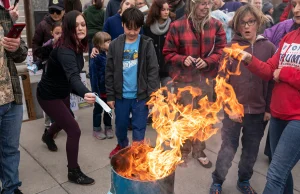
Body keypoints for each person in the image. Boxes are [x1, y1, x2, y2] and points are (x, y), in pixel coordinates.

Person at [228, 0, 300, 193]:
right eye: (295, 4)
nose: (297, 10)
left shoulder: (271, 43)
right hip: (279, 114)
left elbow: (278, 72)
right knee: (282, 170)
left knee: (275, 173)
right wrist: (251, 60)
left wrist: (283, 73)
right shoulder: (289, 38)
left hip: (297, 117)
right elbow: (269, 69)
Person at [209, 4, 276, 194]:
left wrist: (268, 109)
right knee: (227, 150)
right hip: (233, 112)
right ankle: (217, 181)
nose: (247, 27)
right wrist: (229, 109)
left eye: (251, 22)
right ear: (237, 26)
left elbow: (271, 81)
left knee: (250, 152)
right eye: (242, 23)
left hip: (257, 112)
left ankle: (244, 180)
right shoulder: (230, 49)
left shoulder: (269, 48)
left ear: (258, 22)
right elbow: (220, 82)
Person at [163, 0, 226, 168]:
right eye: (202, 4)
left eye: (208, 4)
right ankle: (183, 151)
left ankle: (199, 150)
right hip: (183, 81)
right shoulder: (177, 26)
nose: (206, 7)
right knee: (184, 116)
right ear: (193, 4)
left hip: (206, 80)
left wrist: (208, 61)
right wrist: (183, 59)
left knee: (203, 118)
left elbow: (221, 50)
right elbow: (167, 53)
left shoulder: (216, 25)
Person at [37, 10, 96, 185]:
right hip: (48, 96)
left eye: (83, 24)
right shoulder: (64, 50)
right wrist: (84, 91)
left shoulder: (76, 46)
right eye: (76, 25)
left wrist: (81, 91)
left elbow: (70, 80)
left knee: (67, 119)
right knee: (74, 130)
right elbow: (73, 77)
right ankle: (73, 171)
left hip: (61, 91)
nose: (80, 28)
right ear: (68, 28)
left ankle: (48, 135)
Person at [106, 7, 160, 159]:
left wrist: (152, 95)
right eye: (129, 28)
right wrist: (110, 95)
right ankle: (122, 147)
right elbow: (109, 71)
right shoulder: (115, 45)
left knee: (139, 128)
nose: (132, 32)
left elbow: (153, 71)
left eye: (136, 29)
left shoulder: (146, 44)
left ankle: (137, 153)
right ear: (122, 25)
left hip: (141, 96)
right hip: (121, 96)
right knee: (121, 126)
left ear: (140, 27)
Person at [0, 2, 28, 194]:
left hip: (11, 97)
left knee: (11, 150)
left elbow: (22, 54)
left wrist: (16, 47)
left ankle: (10, 188)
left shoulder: (4, 15)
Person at [32, 0, 65, 132]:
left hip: (64, 66)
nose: (55, 14)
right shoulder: (42, 25)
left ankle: (61, 121)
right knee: (49, 95)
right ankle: (49, 125)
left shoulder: (68, 24)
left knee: (63, 95)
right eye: (52, 11)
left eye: (58, 11)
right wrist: (39, 60)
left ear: (63, 11)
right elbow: (35, 45)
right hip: (48, 65)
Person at [144, 0, 173, 94]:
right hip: (152, 69)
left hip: (168, 69)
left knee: (169, 98)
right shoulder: (147, 26)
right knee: (154, 98)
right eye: (163, 10)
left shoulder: (173, 26)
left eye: (168, 9)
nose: (166, 12)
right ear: (157, 10)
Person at [90, 32, 114, 140]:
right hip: (100, 90)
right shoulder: (96, 58)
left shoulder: (112, 55)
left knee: (108, 110)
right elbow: (93, 76)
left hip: (109, 90)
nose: (110, 43)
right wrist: (95, 92)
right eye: (107, 42)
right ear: (99, 44)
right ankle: (96, 128)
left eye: (110, 41)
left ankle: (108, 127)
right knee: (98, 110)